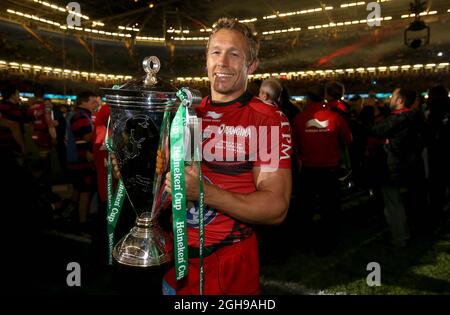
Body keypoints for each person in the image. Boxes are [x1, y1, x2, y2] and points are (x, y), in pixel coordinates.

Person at [111, 17, 292, 295]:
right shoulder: (187, 114)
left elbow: (275, 207)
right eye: (216, 52)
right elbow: (170, 185)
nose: (223, 62)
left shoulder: (266, 120)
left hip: (229, 264)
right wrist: (138, 171)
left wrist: (204, 192)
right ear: (206, 59)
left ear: (251, 65)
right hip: (175, 259)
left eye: (235, 54)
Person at [292, 85, 352, 255]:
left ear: (307, 98)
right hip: (329, 172)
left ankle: (305, 243)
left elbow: (293, 145)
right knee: (330, 210)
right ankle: (328, 244)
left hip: (308, 171)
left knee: (305, 210)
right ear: (324, 97)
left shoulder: (299, 118)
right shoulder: (335, 117)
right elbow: (348, 139)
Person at [372, 87, 426, 247]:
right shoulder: (415, 117)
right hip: (409, 167)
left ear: (400, 101)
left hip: (393, 167)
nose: (390, 99)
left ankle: (399, 238)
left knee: (393, 204)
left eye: (393, 96)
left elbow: (374, 131)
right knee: (403, 202)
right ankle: (406, 233)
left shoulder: (397, 120)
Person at [66, 91, 99, 233]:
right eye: (93, 102)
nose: (96, 104)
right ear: (82, 102)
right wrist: (101, 126)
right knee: (85, 192)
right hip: (81, 161)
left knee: (78, 190)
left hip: (75, 160)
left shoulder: (77, 114)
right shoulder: (81, 116)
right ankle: (82, 223)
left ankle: (69, 214)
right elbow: (86, 138)